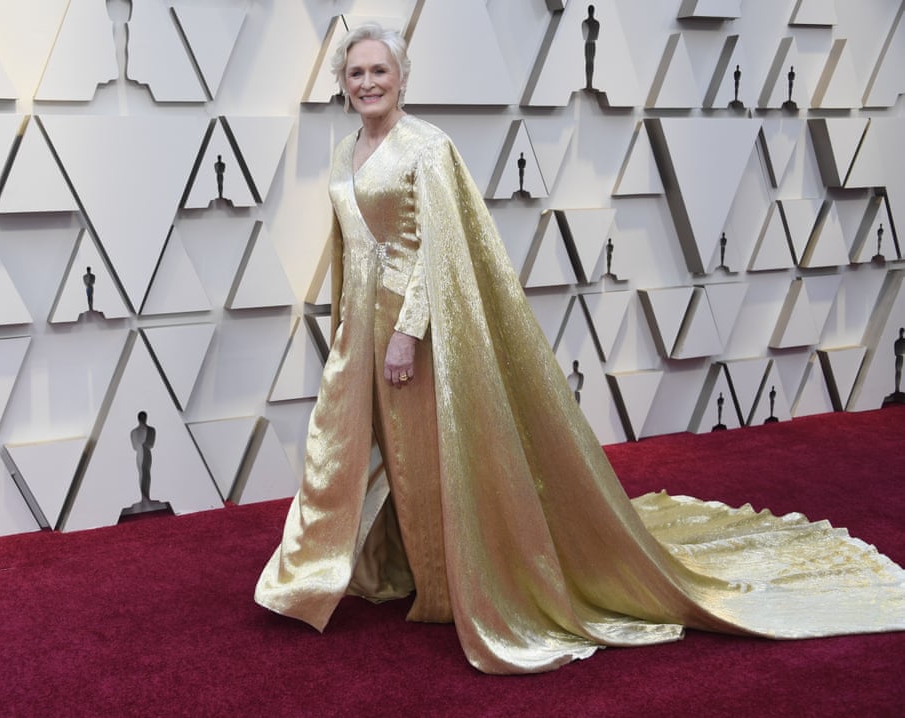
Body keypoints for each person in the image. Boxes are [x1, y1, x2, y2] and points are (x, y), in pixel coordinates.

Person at [255, 22, 905, 675]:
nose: (367, 82)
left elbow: (437, 252)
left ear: (401, 77)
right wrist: (350, 329)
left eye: (378, 71)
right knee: (357, 450)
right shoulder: (344, 154)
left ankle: (448, 584)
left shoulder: (426, 148)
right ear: (342, 81)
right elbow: (351, 249)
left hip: (413, 333)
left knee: (422, 455)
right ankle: (365, 565)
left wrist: (407, 333)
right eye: (356, 72)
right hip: (358, 329)